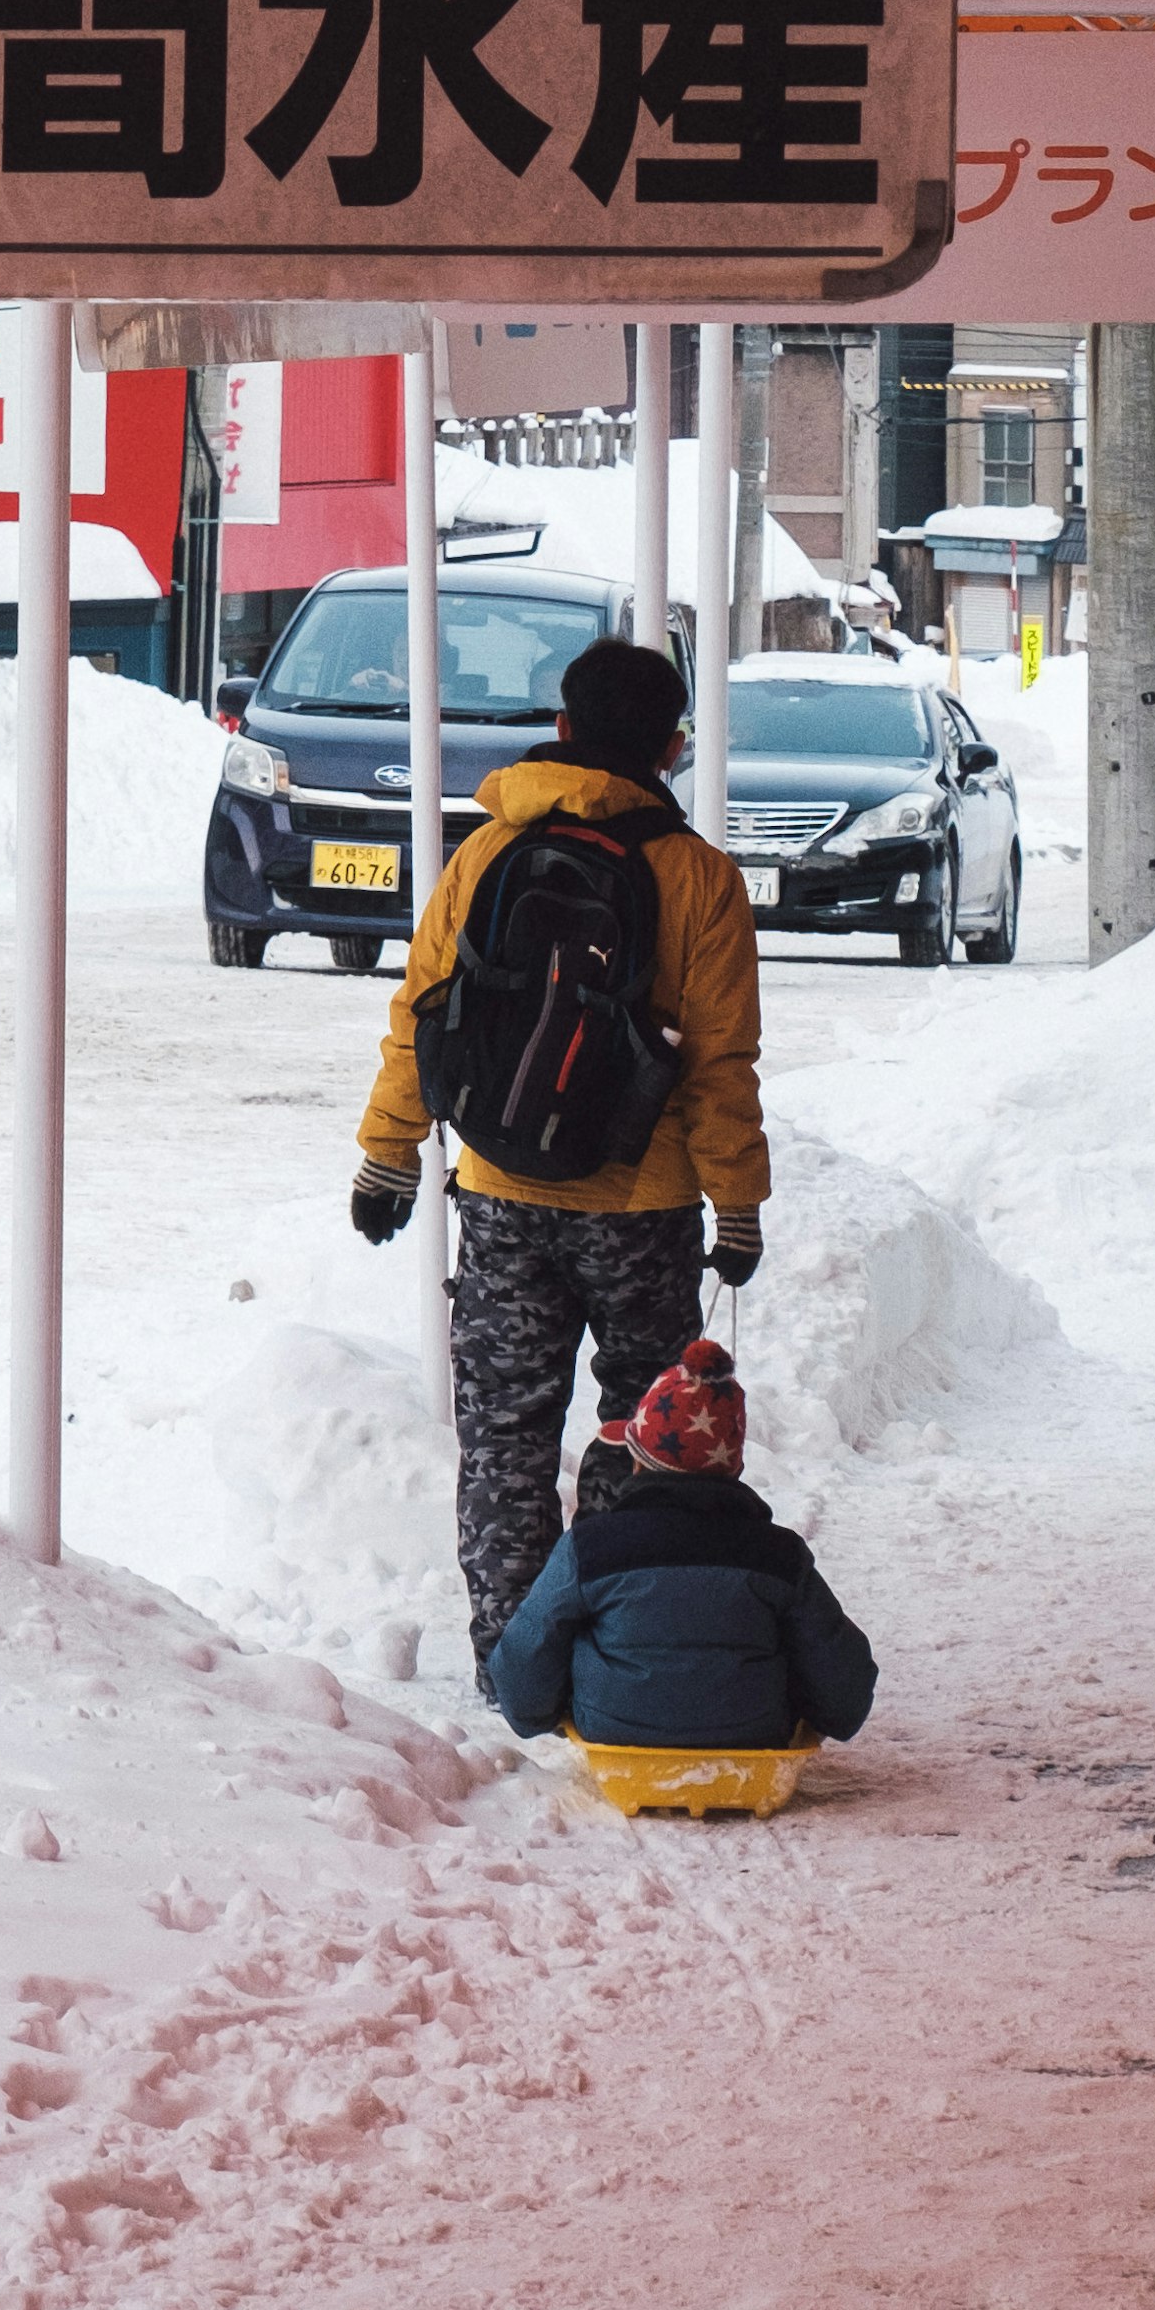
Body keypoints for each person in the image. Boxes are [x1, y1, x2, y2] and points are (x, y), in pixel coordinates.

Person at [348, 634, 766, 1658]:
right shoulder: (702, 881)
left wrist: (389, 1153)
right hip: (643, 1205)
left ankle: (511, 1659)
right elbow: (719, 1065)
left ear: (564, 731)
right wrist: (738, 1203)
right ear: (672, 747)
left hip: (501, 1191)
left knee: (503, 1439)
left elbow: (424, 1013)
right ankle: (614, 1648)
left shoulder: (486, 852)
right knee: (639, 1435)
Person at [482, 1341, 878, 1754]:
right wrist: (812, 1710)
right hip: (753, 1736)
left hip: (614, 1731)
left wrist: (539, 1714)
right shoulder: (779, 1555)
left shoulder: (591, 1548)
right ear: (736, 1468)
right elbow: (845, 1689)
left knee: (576, 1624)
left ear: (637, 1461)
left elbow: (522, 1668)